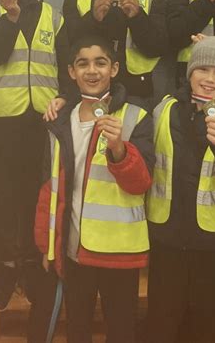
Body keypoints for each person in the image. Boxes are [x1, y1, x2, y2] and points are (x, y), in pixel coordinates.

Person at [33, 34, 155, 343]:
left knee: (121, 330)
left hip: (120, 252)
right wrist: (48, 244)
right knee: (77, 329)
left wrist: (119, 150)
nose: (92, 71)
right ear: (72, 72)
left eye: (100, 63)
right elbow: (50, 187)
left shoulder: (136, 116)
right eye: (82, 64)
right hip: (75, 251)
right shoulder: (60, 119)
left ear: (114, 69)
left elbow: (141, 183)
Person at [0, 0, 72, 311]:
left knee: (38, 195)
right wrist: (10, 17)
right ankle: (7, 266)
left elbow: (67, 69)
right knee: (3, 198)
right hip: (3, 123)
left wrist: (64, 98)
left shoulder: (55, 17)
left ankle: (34, 264)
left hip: (42, 123)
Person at [146, 36, 215, 343]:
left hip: (214, 244)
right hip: (166, 236)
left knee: (206, 325)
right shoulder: (164, 109)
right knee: (161, 321)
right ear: (190, 72)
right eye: (203, 69)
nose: (209, 79)